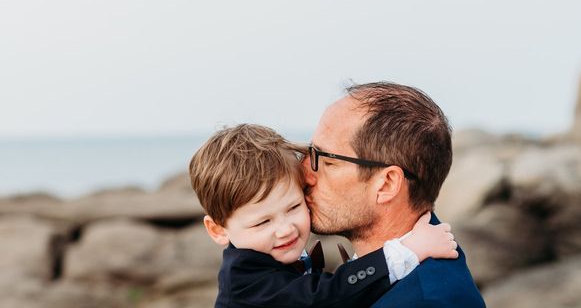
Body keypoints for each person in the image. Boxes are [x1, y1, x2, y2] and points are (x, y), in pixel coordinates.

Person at [188, 123, 459, 308]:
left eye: (294, 208)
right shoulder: (244, 280)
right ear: (218, 230)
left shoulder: (269, 254)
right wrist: (408, 251)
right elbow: (326, 297)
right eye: (262, 222)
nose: (285, 229)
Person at [304, 82, 486, 307]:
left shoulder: (427, 301)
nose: (305, 174)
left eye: (327, 161)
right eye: (309, 152)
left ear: (387, 184)